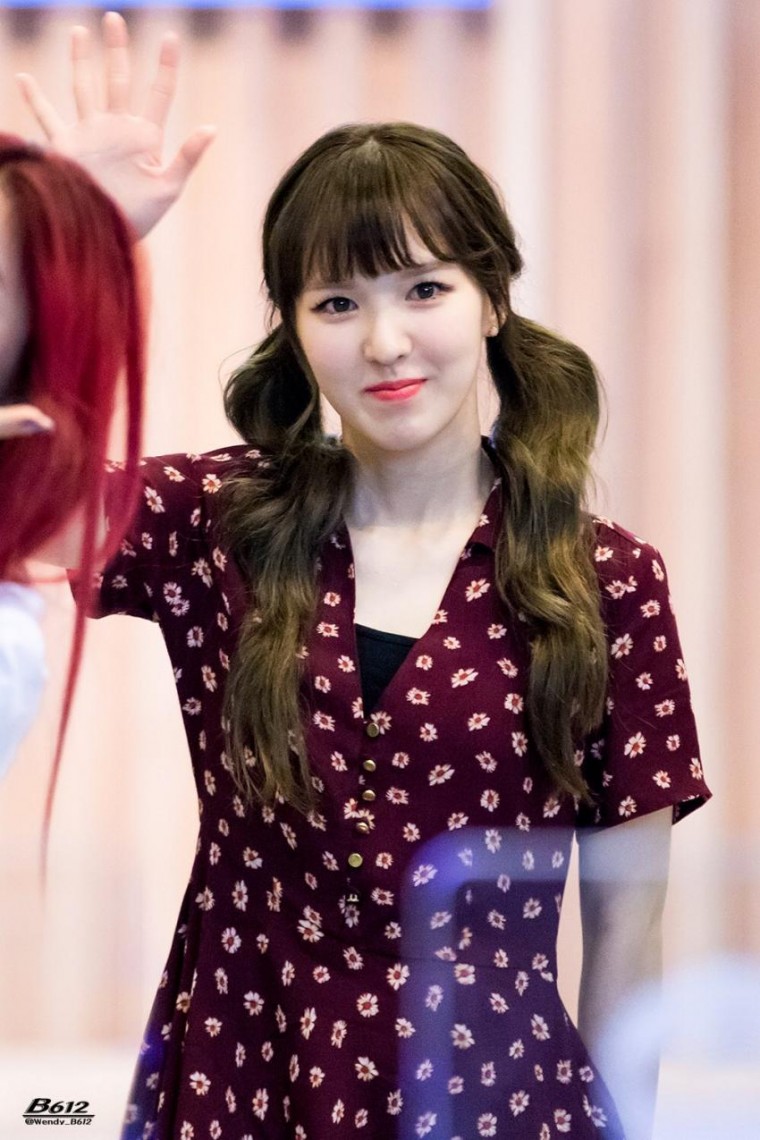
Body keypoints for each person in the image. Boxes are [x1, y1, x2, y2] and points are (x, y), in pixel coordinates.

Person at [22, 13, 710, 1140]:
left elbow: (629, 934)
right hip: (239, 1087)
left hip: (492, 1106)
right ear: (295, 333)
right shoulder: (217, 520)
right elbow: (21, 487)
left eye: (422, 289)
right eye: (337, 303)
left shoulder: (609, 580)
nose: (385, 342)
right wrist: (67, 248)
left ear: (492, 300)